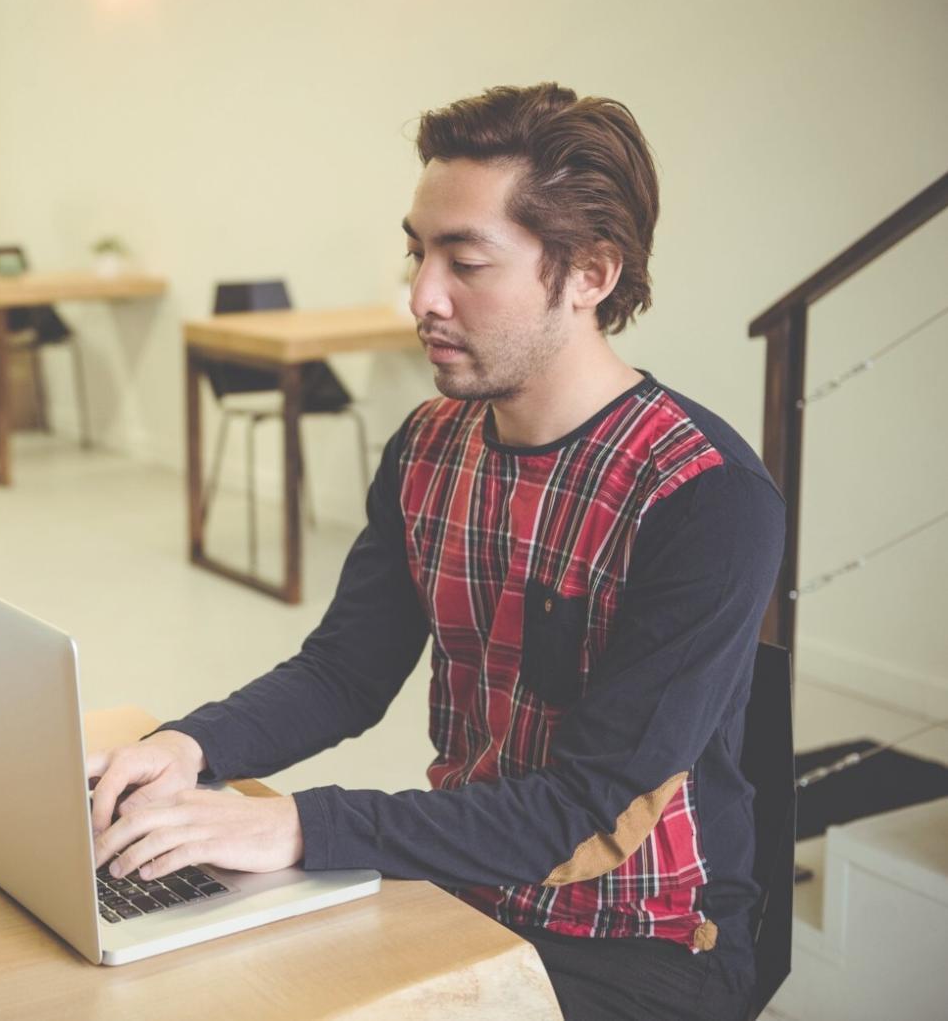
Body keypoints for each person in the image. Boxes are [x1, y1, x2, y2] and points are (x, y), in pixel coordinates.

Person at [87, 82, 784, 1021]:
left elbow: (579, 808)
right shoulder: (428, 442)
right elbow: (343, 672)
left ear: (589, 275)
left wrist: (294, 824)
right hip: (462, 879)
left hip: (639, 942)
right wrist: (188, 745)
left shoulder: (705, 498)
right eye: (417, 253)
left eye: (465, 262)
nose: (420, 296)